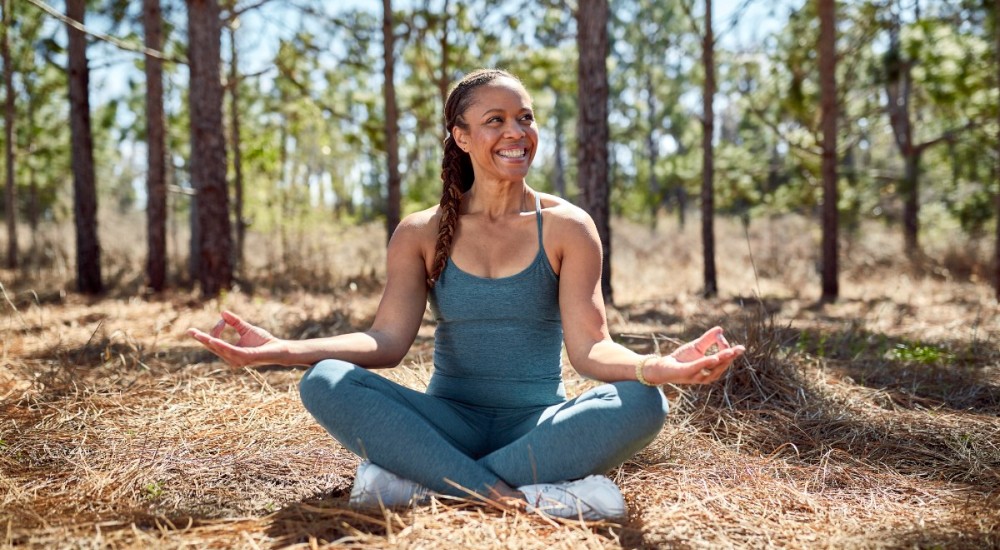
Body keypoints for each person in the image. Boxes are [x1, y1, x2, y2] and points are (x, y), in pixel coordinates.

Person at [188, 68, 744, 521]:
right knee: (325, 381)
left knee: (644, 402)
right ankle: (517, 497)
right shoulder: (421, 231)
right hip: (446, 418)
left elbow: (591, 350)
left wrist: (655, 367)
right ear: (460, 136)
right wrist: (283, 349)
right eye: (495, 120)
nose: (516, 132)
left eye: (525, 118)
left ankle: (426, 480)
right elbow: (386, 342)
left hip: (536, 425)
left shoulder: (568, 227)